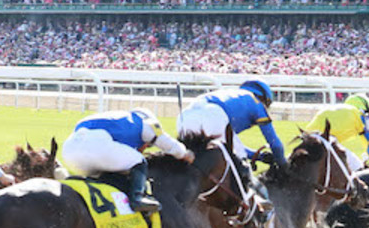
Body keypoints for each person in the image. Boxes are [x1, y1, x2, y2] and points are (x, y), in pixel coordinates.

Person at [62, 108, 192, 213]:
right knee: (139, 160)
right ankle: (138, 198)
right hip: (96, 147)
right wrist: (184, 153)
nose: (145, 147)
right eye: (148, 145)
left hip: (69, 152)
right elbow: (166, 142)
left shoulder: (115, 118)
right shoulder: (147, 122)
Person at [177, 79, 288, 170]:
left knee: (193, 163)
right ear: (263, 98)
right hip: (212, 114)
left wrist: (259, 156)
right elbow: (275, 143)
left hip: (183, 117)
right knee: (242, 167)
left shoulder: (233, 97)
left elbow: (231, 145)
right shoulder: (256, 102)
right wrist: (283, 164)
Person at [304, 93, 369, 171]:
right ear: (363, 109)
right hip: (322, 141)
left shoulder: (342, 110)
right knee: (357, 165)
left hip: (306, 139)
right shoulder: (358, 115)